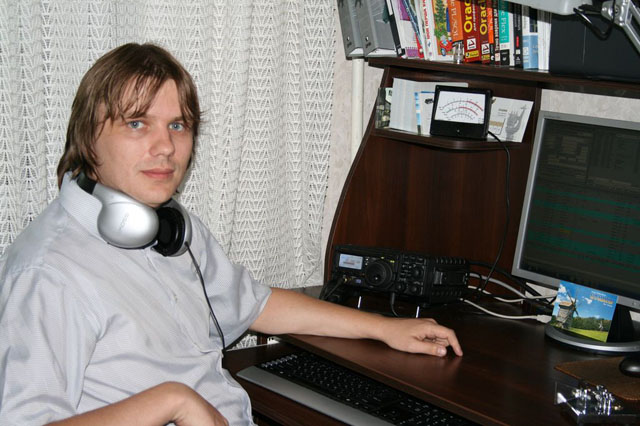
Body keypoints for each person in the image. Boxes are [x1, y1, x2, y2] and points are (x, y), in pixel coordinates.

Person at [0, 43, 462, 426]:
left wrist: (384, 328)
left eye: (178, 125)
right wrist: (173, 401)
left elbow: (255, 304)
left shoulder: (168, 228)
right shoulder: (48, 273)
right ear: (87, 136)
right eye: (137, 123)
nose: (166, 147)